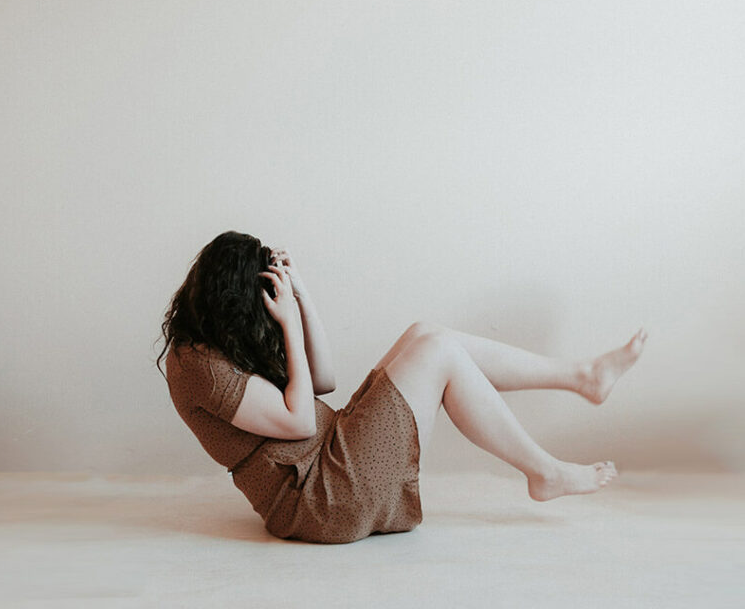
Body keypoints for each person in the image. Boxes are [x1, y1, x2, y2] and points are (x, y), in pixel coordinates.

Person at [157, 231, 647, 544]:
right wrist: (285, 325)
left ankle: (582, 377)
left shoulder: (220, 342)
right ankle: (546, 471)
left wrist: (301, 297)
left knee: (426, 335)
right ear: (236, 301)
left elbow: (322, 382)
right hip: (321, 501)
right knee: (436, 351)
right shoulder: (196, 364)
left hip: (332, 459)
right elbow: (300, 420)